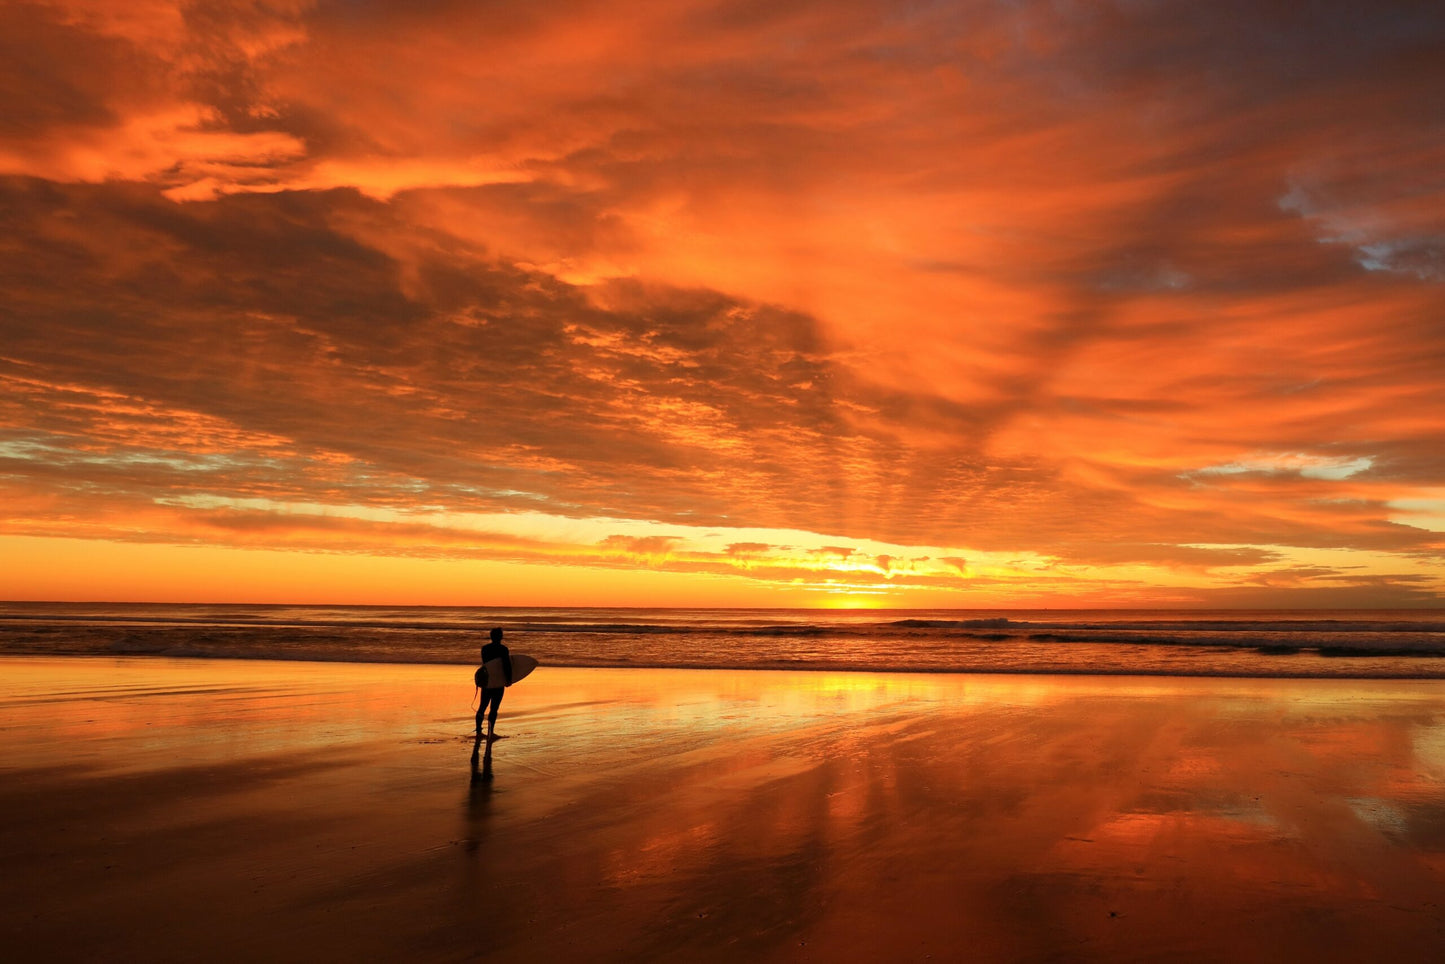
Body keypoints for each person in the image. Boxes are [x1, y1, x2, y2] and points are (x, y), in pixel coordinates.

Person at [476, 627, 513, 740]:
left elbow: (486, 665)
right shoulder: (503, 649)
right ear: (501, 637)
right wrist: (509, 679)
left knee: (482, 706)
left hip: (488, 681)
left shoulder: (485, 649)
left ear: (491, 636)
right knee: (494, 708)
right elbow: (506, 665)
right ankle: (490, 732)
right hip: (498, 681)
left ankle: (478, 731)